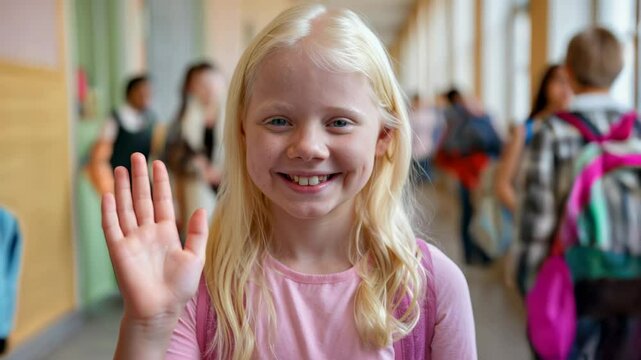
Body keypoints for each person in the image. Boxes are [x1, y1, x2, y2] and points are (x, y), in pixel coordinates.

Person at [101, 4, 476, 359]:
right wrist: (149, 326)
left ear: (383, 137)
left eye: (339, 122)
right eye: (279, 121)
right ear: (243, 131)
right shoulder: (200, 286)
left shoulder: (433, 287)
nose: (308, 147)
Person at [518, 27, 641, 358]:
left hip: (575, 282)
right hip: (632, 281)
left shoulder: (553, 130)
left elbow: (538, 216)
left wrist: (530, 283)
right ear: (619, 71)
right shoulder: (637, 127)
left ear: (568, 72)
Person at [494, 65, 572, 287]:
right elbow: (503, 185)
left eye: (569, 82)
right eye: (558, 81)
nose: (565, 89)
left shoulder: (577, 130)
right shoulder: (526, 130)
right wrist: (532, 217)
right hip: (533, 234)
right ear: (546, 86)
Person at [436, 88, 501, 266]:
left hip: (479, 173)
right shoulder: (463, 122)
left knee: (479, 213)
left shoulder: (479, 120)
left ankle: (481, 250)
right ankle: (470, 252)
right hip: (469, 173)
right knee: (469, 213)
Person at [164, 62, 226, 230]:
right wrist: (198, 167)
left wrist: (222, 174)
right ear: (190, 88)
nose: (209, 89)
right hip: (197, 186)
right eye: (201, 84)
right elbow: (171, 156)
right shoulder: (183, 119)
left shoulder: (235, 115)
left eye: (212, 82)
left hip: (230, 185)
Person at [88, 75, 156, 194]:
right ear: (130, 93)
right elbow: (99, 159)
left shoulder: (151, 120)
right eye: (141, 92)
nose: (145, 97)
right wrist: (108, 188)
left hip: (143, 184)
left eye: (148, 93)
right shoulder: (116, 118)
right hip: (118, 183)